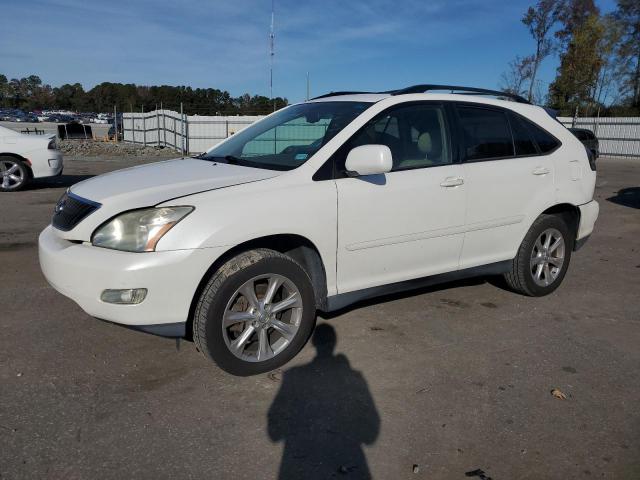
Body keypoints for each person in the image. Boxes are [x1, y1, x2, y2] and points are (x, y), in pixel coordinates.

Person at [268, 323, 380, 479]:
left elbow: (274, 433)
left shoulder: (293, 376)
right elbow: (370, 435)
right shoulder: (355, 378)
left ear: (313, 343)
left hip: (299, 466)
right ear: (333, 343)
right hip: (345, 458)